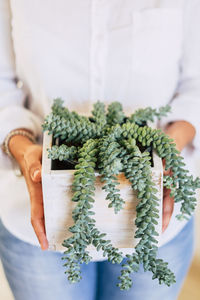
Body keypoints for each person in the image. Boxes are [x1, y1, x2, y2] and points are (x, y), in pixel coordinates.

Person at [0, 0, 199, 299]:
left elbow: (195, 84)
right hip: (37, 221)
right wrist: (21, 144)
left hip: (153, 216)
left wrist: (171, 142)